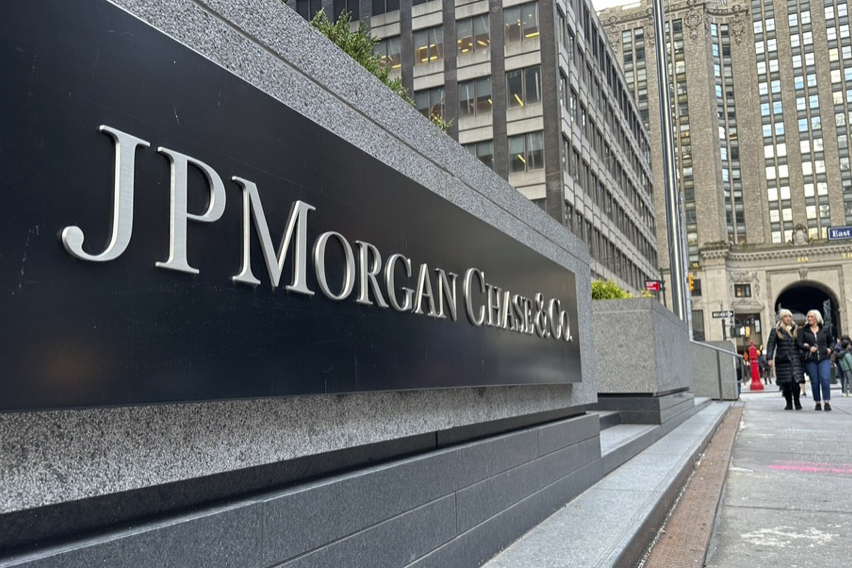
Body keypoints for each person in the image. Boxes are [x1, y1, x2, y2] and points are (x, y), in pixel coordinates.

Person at [766, 309, 804, 410]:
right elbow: (771, 344)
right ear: (782, 318)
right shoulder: (776, 330)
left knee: (796, 383)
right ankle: (789, 403)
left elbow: (800, 343)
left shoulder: (796, 329)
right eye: (786, 316)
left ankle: (797, 401)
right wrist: (769, 357)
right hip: (782, 360)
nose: (788, 318)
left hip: (795, 359)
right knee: (786, 383)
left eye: (790, 316)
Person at [798, 309, 835, 411]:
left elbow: (832, 342)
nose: (809, 319)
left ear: (817, 318)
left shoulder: (825, 329)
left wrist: (830, 349)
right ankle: (817, 402)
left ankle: (827, 401)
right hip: (811, 359)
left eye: (811, 317)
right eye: (808, 317)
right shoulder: (803, 331)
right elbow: (799, 343)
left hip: (824, 358)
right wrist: (808, 347)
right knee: (815, 381)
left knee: (825, 379)